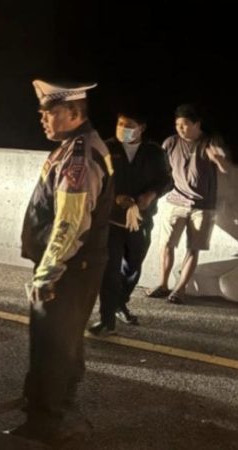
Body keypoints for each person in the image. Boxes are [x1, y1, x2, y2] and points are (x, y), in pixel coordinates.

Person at [9, 79, 114, 444]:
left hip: (68, 269)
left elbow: (70, 224)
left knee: (50, 348)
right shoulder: (73, 147)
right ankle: (62, 410)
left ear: (74, 113)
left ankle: (43, 427)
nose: (43, 118)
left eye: (50, 111)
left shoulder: (78, 156)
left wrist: (46, 275)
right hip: (79, 268)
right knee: (66, 343)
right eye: (42, 111)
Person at [88, 111, 171, 335]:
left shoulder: (153, 152)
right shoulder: (107, 148)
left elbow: (166, 180)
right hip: (111, 221)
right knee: (110, 270)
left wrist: (151, 195)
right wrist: (114, 197)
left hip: (140, 221)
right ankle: (106, 320)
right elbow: (96, 178)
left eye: (129, 124)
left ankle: (119, 302)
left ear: (141, 127)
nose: (123, 128)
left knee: (133, 266)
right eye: (120, 123)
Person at [147, 104, 229, 305]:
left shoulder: (209, 142)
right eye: (177, 124)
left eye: (184, 125)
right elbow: (159, 167)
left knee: (193, 248)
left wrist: (217, 160)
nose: (180, 128)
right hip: (176, 200)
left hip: (203, 205)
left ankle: (180, 289)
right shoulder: (171, 142)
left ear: (197, 124)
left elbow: (225, 167)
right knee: (167, 245)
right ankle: (163, 284)